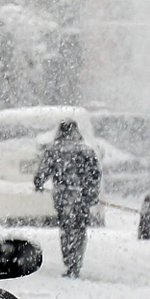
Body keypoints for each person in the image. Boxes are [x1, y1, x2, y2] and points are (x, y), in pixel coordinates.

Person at [32, 119, 101, 277]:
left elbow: (43, 171)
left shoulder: (54, 150)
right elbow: (95, 175)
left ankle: (69, 260)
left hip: (63, 197)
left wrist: (39, 182)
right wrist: (91, 194)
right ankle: (76, 261)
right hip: (81, 198)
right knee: (80, 229)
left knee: (66, 229)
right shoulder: (86, 151)